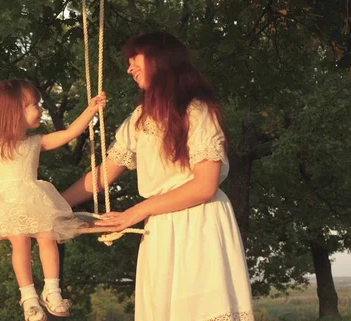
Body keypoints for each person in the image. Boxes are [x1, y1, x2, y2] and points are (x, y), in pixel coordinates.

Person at [61, 32, 254, 321]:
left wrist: (134, 213)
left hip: (199, 223)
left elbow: (204, 186)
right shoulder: (140, 118)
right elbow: (101, 176)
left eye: (134, 59)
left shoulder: (198, 112)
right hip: (160, 229)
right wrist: (52, 203)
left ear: (159, 60)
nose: (129, 68)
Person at [0, 79, 106, 321]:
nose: (39, 109)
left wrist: (90, 111)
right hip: (4, 204)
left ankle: (52, 290)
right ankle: (28, 296)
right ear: (12, 112)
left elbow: (70, 133)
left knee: (48, 236)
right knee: (20, 240)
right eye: (33, 105)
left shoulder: (35, 142)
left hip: (35, 201)